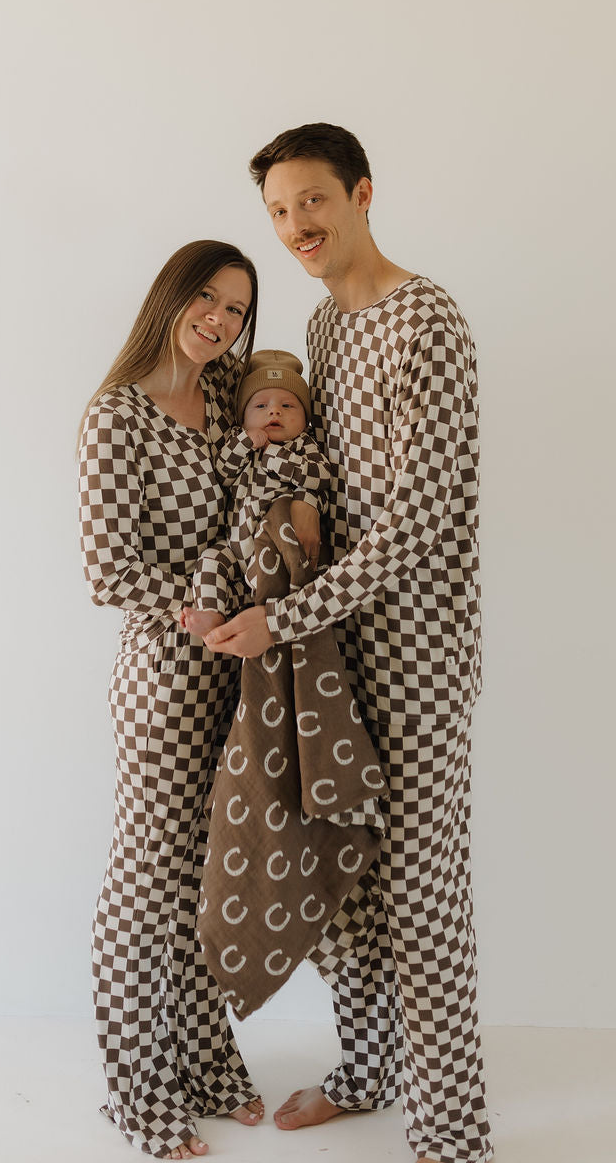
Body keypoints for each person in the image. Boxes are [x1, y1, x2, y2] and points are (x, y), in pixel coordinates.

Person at [206, 126, 494, 1163]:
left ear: (362, 193)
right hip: (328, 658)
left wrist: (281, 616)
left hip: (413, 649)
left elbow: (416, 525)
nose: (296, 228)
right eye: (278, 212)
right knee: (342, 883)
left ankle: (453, 1133)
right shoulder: (322, 330)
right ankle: (370, 1069)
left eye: (313, 203)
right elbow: (314, 485)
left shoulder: (430, 321)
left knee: (421, 892)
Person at [77, 239, 265, 1162]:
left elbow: (282, 426)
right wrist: (201, 613)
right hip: (165, 676)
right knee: (146, 881)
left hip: (238, 672)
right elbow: (109, 571)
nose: (220, 322)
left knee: (205, 879)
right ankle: (135, 1090)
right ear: (171, 297)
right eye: (208, 300)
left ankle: (204, 1060)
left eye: (236, 309)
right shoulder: (117, 416)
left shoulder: (229, 393)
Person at [182, 348, 331, 642]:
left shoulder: (302, 445)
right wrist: (244, 443)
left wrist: (274, 457)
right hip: (234, 542)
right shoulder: (240, 442)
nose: (274, 411)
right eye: (261, 406)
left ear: (305, 419)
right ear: (243, 417)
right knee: (211, 560)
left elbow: (320, 476)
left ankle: (273, 623)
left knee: (267, 579)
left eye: (288, 406)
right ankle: (211, 612)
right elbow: (223, 473)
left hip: (269, 544)